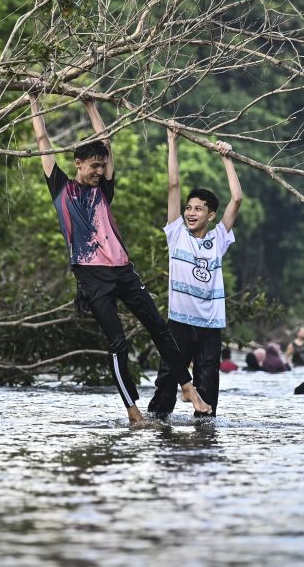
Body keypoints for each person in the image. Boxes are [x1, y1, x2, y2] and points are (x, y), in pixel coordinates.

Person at [28, 95, 211, 424]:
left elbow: (107, 143)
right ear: (78, 164)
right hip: (91, 277)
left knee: (158, 326)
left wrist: (90, 106)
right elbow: (43, 140)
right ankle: (132, 411)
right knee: (118, 345)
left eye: (102, 165)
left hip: (123, 270)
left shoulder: (104, 190)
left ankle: (187, 386)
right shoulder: (61, 188)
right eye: (93, 166)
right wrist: (33, 99)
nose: (99, 171)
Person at [147, 124, 243, 420]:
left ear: (210, 215)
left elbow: (237, 198)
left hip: (211, 324)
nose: (190, 212)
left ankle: (205, 435)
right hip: (179, 321)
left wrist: (227, 157)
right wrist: (171, 142)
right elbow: (173, 185)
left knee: (208, 383)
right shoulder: (176, 233)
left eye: (198, 209)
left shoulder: (218, 239)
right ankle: (156, 424)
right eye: (189, 207)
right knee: (167, 380)